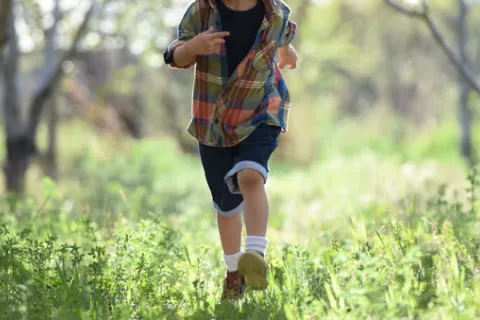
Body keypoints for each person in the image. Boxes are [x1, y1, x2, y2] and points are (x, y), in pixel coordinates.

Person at [163, 0, 297, 301]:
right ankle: (234, 272)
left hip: (262, 110)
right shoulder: (203, 10)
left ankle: (256, 255)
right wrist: (194, 47)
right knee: (226, 205)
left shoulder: (275, 12)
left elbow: (284, 40)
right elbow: (174, 55)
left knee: (250, 176)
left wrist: (289, 53)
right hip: (214, 121)